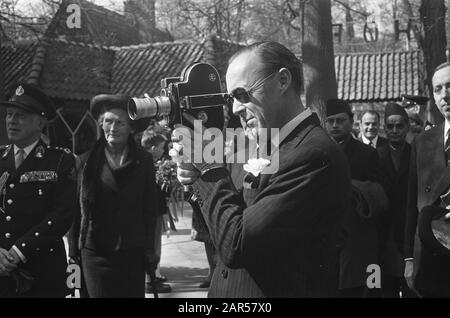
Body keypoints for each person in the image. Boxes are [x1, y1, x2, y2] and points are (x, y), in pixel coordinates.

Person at [173, 41, 352, 297]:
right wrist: (196, 178)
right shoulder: (259, 144)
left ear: (282, 81)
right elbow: (223, 223)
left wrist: (208, 165)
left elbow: (236, 245)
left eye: (243, 95)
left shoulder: (313, 155)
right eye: (231, 98)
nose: (234, 109)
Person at [68, 94, 160, 298]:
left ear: (132, 129)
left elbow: (149, 209)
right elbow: (75, 212)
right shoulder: (85, 161)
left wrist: (150, 250)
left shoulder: (144, 161)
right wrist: (73, 253)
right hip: (95, 253)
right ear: (101, 124)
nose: (113, 127)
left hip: (132, 254)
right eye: (108, 121)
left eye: (120, 123)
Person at [0, 82, 77, 297]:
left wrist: (18, 251)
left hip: (43, 273)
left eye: (21, 116)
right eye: (9, 114)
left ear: (40, 122)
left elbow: (62, 215)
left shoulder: (61, 160)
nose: (12, 121)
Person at [325, 99, 388, 298]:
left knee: (365, 289)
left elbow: (378, 195)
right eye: (330, 121)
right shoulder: (317, 152)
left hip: (359, 239)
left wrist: (353, 188)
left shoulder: (368, 154)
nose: (335, 125)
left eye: (340, 120)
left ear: (352, 122)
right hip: (327, 239)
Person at [404, 61, 450, 297]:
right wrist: (409, 257)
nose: (445, 95)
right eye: (438, 89)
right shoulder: (423, 141)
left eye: (449, 86)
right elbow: (412, 203)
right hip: (429, 257)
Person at [376, 103, 411, 297]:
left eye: (399, 126)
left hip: (407, 233)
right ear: (385, 128)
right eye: (390, 127)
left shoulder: (415, 154)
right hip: (384, 233)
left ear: (407, 127)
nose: (394, 131)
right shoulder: (375, 156)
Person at [141, 129, 172, 294]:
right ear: (152, 148)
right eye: (161, 147)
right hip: (151, 212)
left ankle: (155, 273)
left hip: (156, 210)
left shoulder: (151, 164)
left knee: (156, 243)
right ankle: (149, 279)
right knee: (152, 245)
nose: (163, 151)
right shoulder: (146, 165)